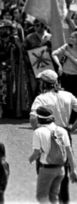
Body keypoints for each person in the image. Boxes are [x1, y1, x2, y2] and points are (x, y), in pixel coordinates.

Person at [29, 69, 77, 203]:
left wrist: (37, 130)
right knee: (64, 171)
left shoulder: (41, 98)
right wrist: (72, 128)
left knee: (45, 170)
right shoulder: (68, 95)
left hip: (46, 133)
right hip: (64, 133)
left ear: (44, 84)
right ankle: (64, 200)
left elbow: (33, 118)